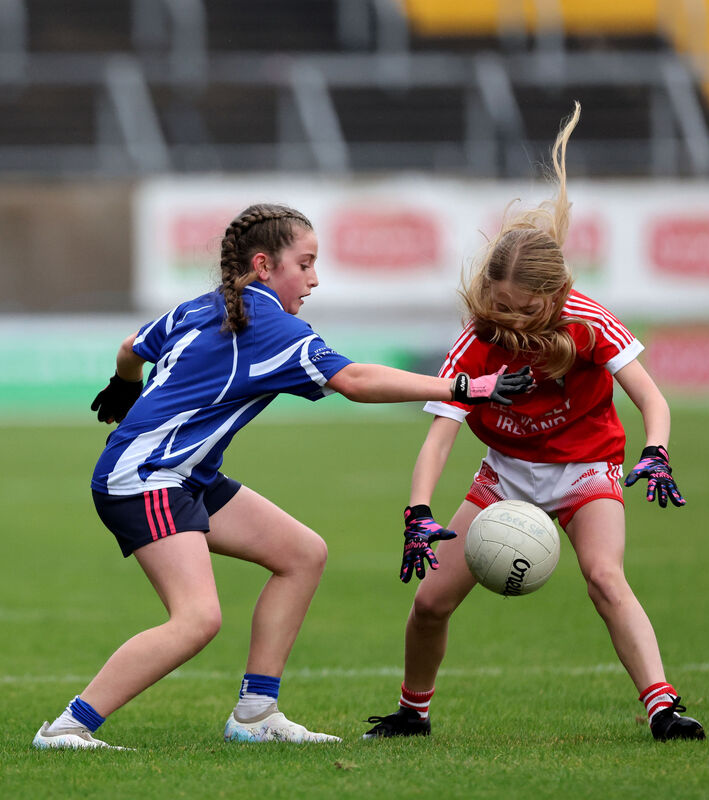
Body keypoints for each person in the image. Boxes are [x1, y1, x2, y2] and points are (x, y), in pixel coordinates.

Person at [32, 203, 533, 750]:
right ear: (266, 265)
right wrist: (464, 387)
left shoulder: (204, 307)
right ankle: (67, 727)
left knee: (301, 553)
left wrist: (123, 383)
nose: (314, 279)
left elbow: (132, 349)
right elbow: (357, 381)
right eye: (306, 263)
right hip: (147, 478)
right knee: (197, 619)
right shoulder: (273, 326)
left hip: (184, 474)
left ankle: (256, 714)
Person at [363, 104, 706, 743]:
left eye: (523, 310)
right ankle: (413, 714)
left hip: (586, 467)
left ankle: (663, 708)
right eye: (497, 306)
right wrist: (417, 512)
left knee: (605, 578)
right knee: (430, 603)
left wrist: (656, 451)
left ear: (553, 298)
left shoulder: (588, 321)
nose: (509, 322)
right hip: (506, 476)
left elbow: (651, 399)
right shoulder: (476, 343)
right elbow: (439, 437)